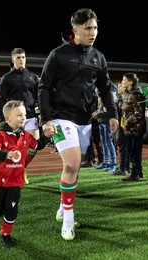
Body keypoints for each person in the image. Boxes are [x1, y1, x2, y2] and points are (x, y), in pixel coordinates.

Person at [38, 8, 118, 241]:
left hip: (86, 119)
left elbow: (105, 88)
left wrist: (112, 114)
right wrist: (46, 119)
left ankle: (62, 209)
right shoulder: (58, 54)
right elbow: (43, 87)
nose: (93, 33)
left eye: (95, 28)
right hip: (62, 116)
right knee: (72, 164)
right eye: (88, 28)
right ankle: (69, 220)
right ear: (75, 30)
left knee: (75, 168)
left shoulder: (98, 57)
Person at [0, 100, 49, 248]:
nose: (23, 118)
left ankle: (5, 234)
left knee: (11, 209)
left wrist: (47, 135)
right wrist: (7, 155)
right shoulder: (0, 135)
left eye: (24, 115)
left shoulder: (26, 136)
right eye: (19, 115)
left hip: (15, 180)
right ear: (8, 118)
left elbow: (37, 145)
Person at [0, 48, 41, 185]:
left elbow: (39, 98)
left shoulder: (33, 77)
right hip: (14, 119)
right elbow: (2, 99)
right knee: (16, 148)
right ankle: (18, 171)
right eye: (18, 57)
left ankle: (22, 167)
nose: (21, 60)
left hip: (30, 117)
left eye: (23, 57)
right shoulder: (7, 78)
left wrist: (41, 114)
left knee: (34, 145)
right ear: (13, 60)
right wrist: (3, 118)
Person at [120, 72, 146, 182]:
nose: (122, 82)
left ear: (130, 82)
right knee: (131, 150)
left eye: (124, 80)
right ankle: (137, 171)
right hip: (129, 129)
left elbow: (138, 113)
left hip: (136, 128)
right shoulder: (127, 93)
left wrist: (127, 123)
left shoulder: (136, 94)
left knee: (135, 151)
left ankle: (135, 173)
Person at [95, 96, 117, 171]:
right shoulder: (100, 104)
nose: (98, 98)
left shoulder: (108, 103)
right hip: (101, 123)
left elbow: (107, 113)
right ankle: (106, 162)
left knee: (109, 143)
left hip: (107, 124)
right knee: (104, 143)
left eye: (99, 97)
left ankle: (113, 163)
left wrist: (97, 114)